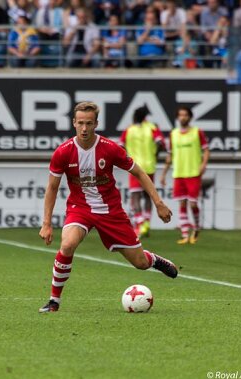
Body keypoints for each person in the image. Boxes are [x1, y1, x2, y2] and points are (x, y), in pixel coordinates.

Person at [38, 101, 178, 313]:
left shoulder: (110, 148)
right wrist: (46, 223)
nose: (84, 128)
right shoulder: (63, 152)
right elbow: (52, 188)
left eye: (89, 123)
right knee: (67, 245)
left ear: (96, 124)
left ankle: (155, 260)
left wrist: (158, 203)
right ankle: (54, 301)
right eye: (81, 123)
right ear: (74, 123)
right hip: (80, 209)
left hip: (110, 211)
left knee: (139, 263)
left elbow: (139, 172)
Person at [160, 106, 209, 244]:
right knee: (182, 203)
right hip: (179, 173)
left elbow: (206, 150)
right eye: (180, 115)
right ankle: (185, 234)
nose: (183, 117)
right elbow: (170, 155)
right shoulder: (173, 134)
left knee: (193, 204)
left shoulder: (197, 132)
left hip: (193, 172)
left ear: (190, 117)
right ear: (177, 117)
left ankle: (197, 227)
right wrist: (164, 173)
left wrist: (203, 164)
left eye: (185, 115)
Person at [119, 106, 165, 238]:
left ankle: (139, 224)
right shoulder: (152, 127)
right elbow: (161, 143)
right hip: (149, 165)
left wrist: (126, 156)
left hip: (134, 166)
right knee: (147, 195)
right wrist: (155, 154)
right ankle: (147, 223)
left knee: (135, 196)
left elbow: (120, 145)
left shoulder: (129, 130)